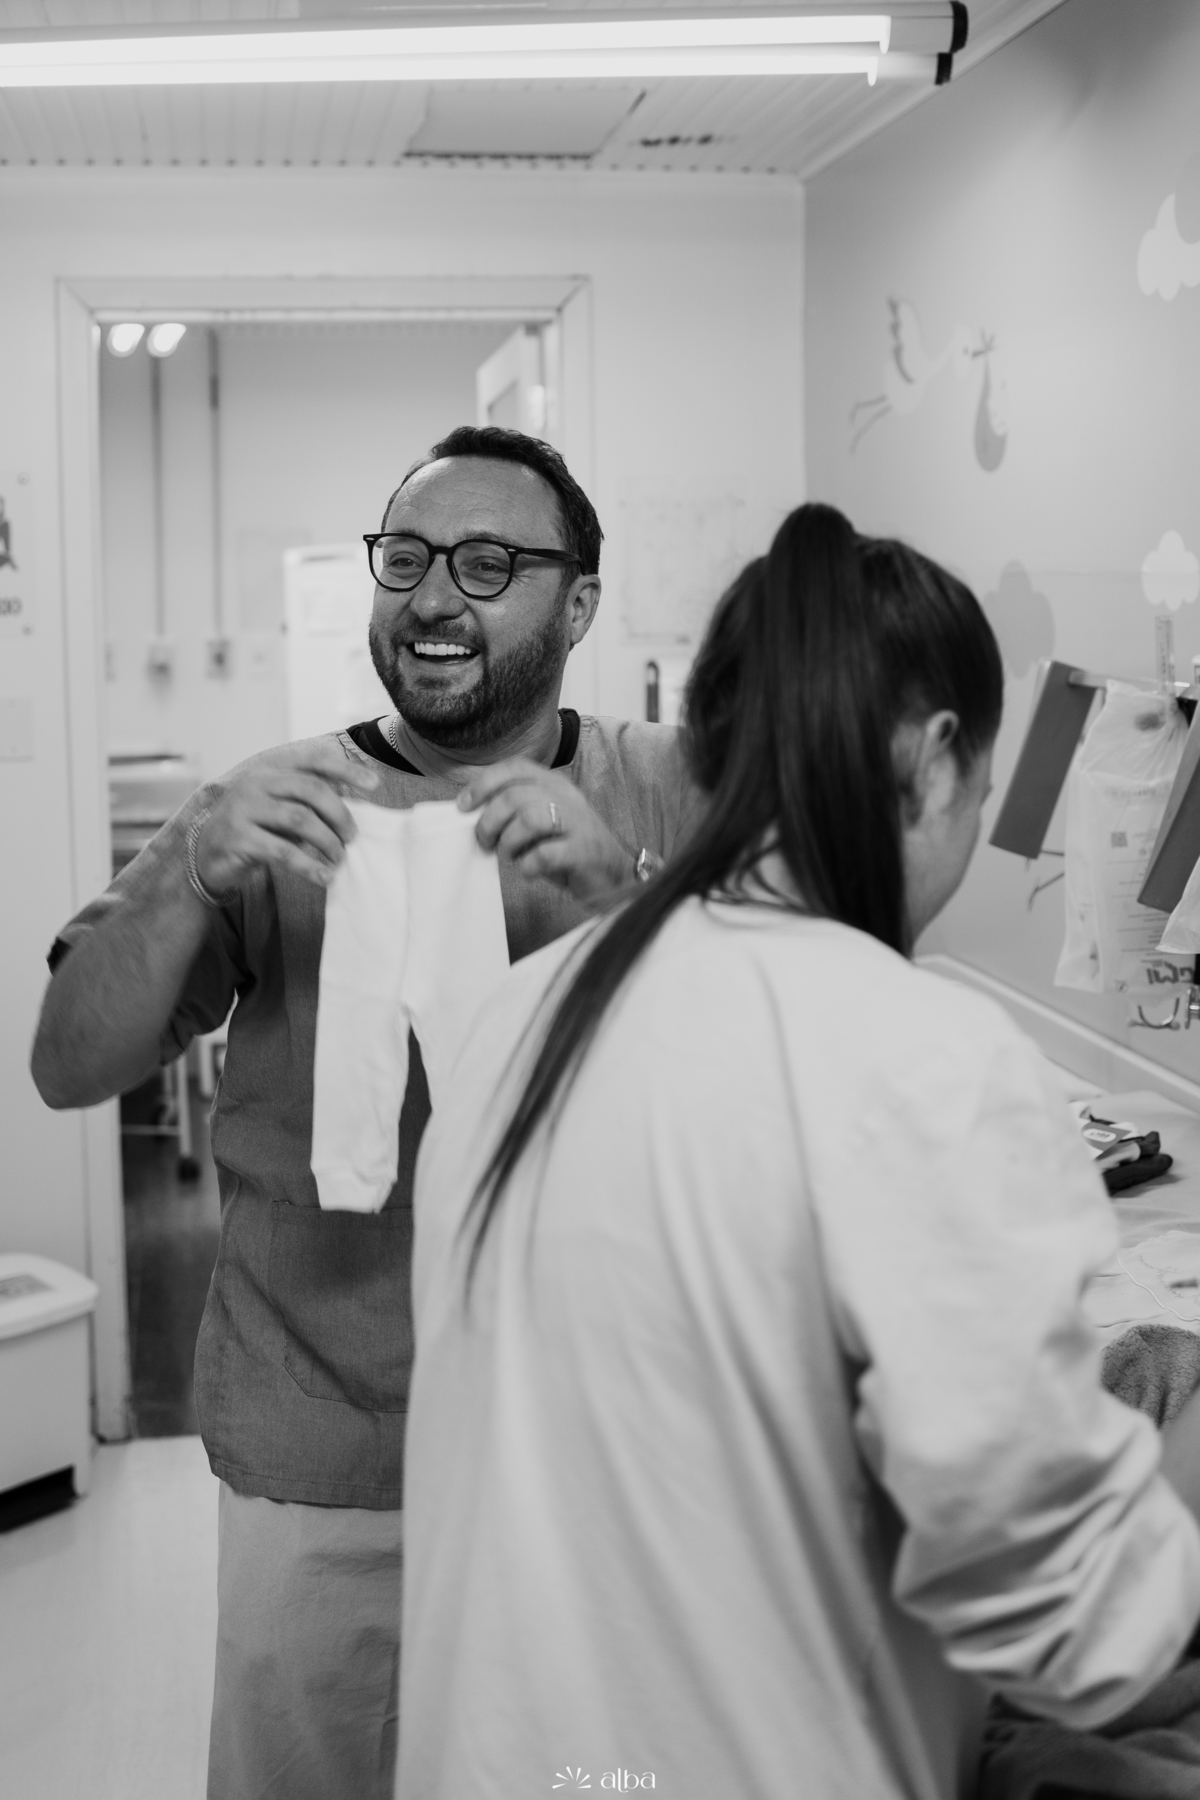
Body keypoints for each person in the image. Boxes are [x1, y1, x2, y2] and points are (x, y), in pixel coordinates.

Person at [398, 503, 1200, 1800]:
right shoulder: (921, 1052)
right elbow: (1062, 1622)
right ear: (937, 757)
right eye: (986, 786)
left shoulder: (525, 1013)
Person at [30, 426, 700, 1800]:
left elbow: (803, 1046)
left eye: (490, 562)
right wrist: (187, 873)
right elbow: (66, 1060)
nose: (434, 598)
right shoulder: (274, 811)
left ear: (578, 602)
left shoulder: (673, 789)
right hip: (325, 1453)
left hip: (600, 1461)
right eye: (405, 558)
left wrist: (623, 892)